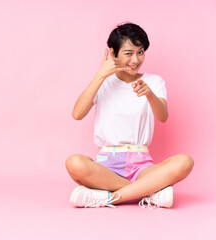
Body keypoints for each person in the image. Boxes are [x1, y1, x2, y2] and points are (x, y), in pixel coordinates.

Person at [65, 22, 194, 209]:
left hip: (142, 165)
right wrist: (100, 75)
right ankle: (147, 193)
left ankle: (108, 198)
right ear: (112, 53)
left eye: (140, 52)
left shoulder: (153, 81)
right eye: (128, 53)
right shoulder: (103, 83)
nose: (135, 60)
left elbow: (163, 116)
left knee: (184, 162)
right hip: (106, 165)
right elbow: (77, 114)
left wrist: (149, 94)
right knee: (75, 163)